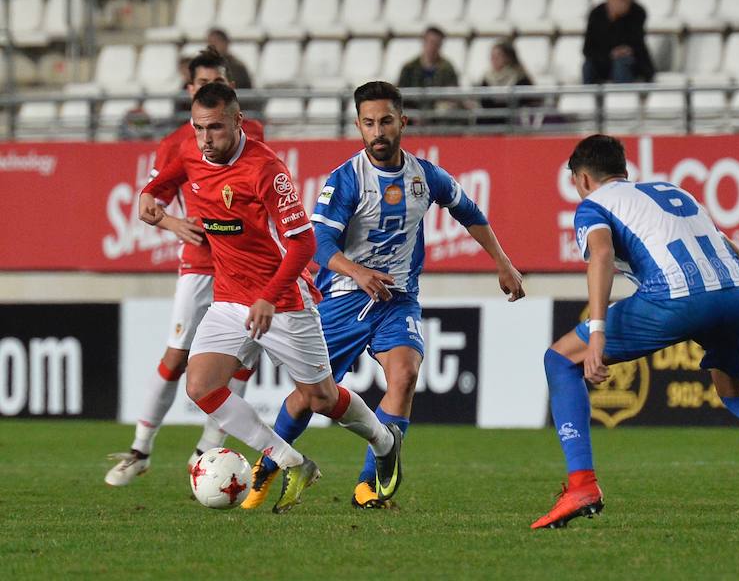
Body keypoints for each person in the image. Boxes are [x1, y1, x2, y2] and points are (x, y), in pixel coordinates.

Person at [240, 81, 525, 511]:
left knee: (406, 375)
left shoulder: (425, 176)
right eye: (369, 123)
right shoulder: (347, 179)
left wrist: (502, 262)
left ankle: (367, 486)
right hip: (342, 299)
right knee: (310, 396)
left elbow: (469, 212)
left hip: (397, 300)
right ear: (358, 126)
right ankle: (270, 466)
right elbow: (317, 242)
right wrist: (358, 273)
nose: (378, 131)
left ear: (403, 123)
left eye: (386, 121)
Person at [531, 134, 739, 530]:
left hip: (675, 298)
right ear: (625, 172)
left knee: (559, 359)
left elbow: (602, 255)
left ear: (584, 179)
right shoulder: (673, 191)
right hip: (735, 295)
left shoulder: (593, 206)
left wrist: (599, 333)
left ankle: (582, 485)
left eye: (575, 182)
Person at [138, 83, 403, 514]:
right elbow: (160, 186)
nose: (206, 139)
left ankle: (384, 441)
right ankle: (291, 461)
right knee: (201, 385)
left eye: (216, 129)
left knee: (320, 398)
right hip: (228, 298)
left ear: (238, 121)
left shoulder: (266, 168)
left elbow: (301, 245)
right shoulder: (190, 152)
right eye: (199, 128)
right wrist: (151, 203)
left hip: (282, 298)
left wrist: (268, 296)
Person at [104, 48, 266, 487]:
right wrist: (177, 224)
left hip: (245, 264)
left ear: (230, 89)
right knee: (177, 357)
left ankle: (208, 450)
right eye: (200, 83)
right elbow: (153, 195)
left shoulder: (250, 133)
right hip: (199, 262)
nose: (209, 88)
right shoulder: (176, 142)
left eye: (219, 81)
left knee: (241, 360)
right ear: (189, 90)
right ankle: (140, 450)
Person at [582, 0, 654, 84]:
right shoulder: (596, 14)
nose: (619, 1)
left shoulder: (638, 12)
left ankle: (622, 98)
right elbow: (587, 49)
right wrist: (610, 54)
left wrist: (619, 19)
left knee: (622, 62)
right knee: (588, 65)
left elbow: (637, 45)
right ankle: (587, 97)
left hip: (632, 62)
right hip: (603, 60)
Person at [478, 41, 538, 125]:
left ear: (508, 57)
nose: (493, 59)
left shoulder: (520, 77)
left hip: (515, 120)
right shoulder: (487, 78)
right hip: (491, 121)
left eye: (498, 56)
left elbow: (527, 100)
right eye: (492, 56)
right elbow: (483, 102)